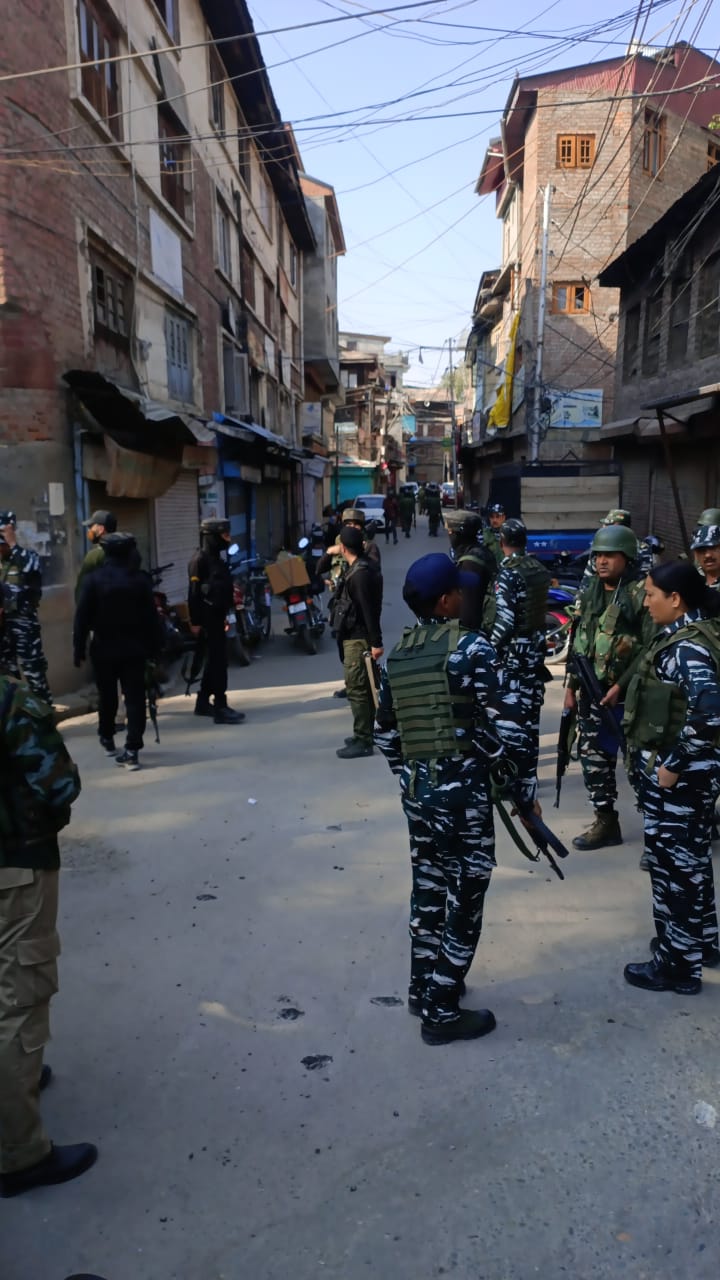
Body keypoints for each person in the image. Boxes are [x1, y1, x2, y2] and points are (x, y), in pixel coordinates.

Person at [374, 553, 524, 1044]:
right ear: (445, 601)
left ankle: (422, 988)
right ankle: (440, 1011)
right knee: (466, 895)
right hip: (462, 801)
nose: (463, 595)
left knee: (429, 887)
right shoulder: (472, 648)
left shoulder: (398, 655)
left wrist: (412, 776)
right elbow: (509, 729)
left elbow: (384, 734)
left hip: (418, 796)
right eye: (458, 590)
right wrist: (521, 792)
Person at [0, 585, 96, 1199]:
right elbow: (59, 784)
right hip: (15, 866)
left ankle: (17, 1082)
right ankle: (19, 1155)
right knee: (19, 1000)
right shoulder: (10, 698)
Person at [623, 562, 720, 994]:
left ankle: (676, 966)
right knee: (692, 863)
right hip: (691, 777)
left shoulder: (687, 649)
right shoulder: (696, 633)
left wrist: (674, 764)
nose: (646, 603)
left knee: (672, 870)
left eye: (651, 595)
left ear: (675, 599)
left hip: (681, 781)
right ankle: (700, 943)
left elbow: (710, 712)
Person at [564, 525, 656, 850]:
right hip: (593, 694)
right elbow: (579, 640)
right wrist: (571, 686)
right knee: (594, 761)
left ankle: (657, 836)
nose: (602, 561)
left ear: (626, 557)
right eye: (598, 555)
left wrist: (622, 685)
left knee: (641, 767)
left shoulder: (640, 593)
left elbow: (652, 646)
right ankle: (606, 822)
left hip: (630, 697)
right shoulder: (589, 591)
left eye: (610, 555)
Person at [74, 533, 161, 770]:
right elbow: (152, 619)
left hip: (104, 649)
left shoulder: (93, 580)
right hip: (135, 649)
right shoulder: (140, 580)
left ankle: (107, 737)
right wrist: (156, 649)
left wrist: (78, 648)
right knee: (135, 699)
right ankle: (132, 749)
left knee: (108, 697)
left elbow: (81, 618)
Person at [485, 518, 551, 804]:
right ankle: (530, 776)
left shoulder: (508, 574)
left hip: (514, 658)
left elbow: (506, 622)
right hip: (535, 654)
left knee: (513, 720)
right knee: (532, 718)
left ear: (502, 542)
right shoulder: (538, 569)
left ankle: (515, 781)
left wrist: (488, 649)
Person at [188, 519, 245, 726]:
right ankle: (220, 706)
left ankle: (203, 702)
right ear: (212, 537)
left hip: (219, 617)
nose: (228, 540)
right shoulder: (199, 561)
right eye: (224, 535)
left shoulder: (217, 560)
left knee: (215, 661)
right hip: (207, 619)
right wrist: (195, 622)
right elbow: (193, 594)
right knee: (218, 663)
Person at [333, 526, 383, 759]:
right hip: (356, 637)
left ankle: (363, 739)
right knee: (361, 689)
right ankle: (365, 734)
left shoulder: (360, 574)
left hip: (358, 639)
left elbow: (368, 610)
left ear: (343, 548)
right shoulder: (362, 567)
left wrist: (376, 642)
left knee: (358, 690)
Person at [0, 511, 52, 706]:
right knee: (8, 677)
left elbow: (31, 569)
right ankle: (16, 716)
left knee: (34, 673)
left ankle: (44, 714)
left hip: (24, 624)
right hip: (3, 626)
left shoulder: (27, 557)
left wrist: (13, 544)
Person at [443, 508, 496, 629]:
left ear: (457, 534)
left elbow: (468, 616)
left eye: (450, 531)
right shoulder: (483, 552)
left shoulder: (470, 564)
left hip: (477, 632)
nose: (449, 536)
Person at [74, 509, 117, 601]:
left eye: (91, 527)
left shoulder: (94, 556)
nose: (89, 530)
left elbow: (81, 592)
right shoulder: (126, 551)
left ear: (101, 529)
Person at [691, 523, 720, 587]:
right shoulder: (691, 580)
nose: (708, 555)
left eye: (713, 548)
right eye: (701, 550)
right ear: (695, 554)